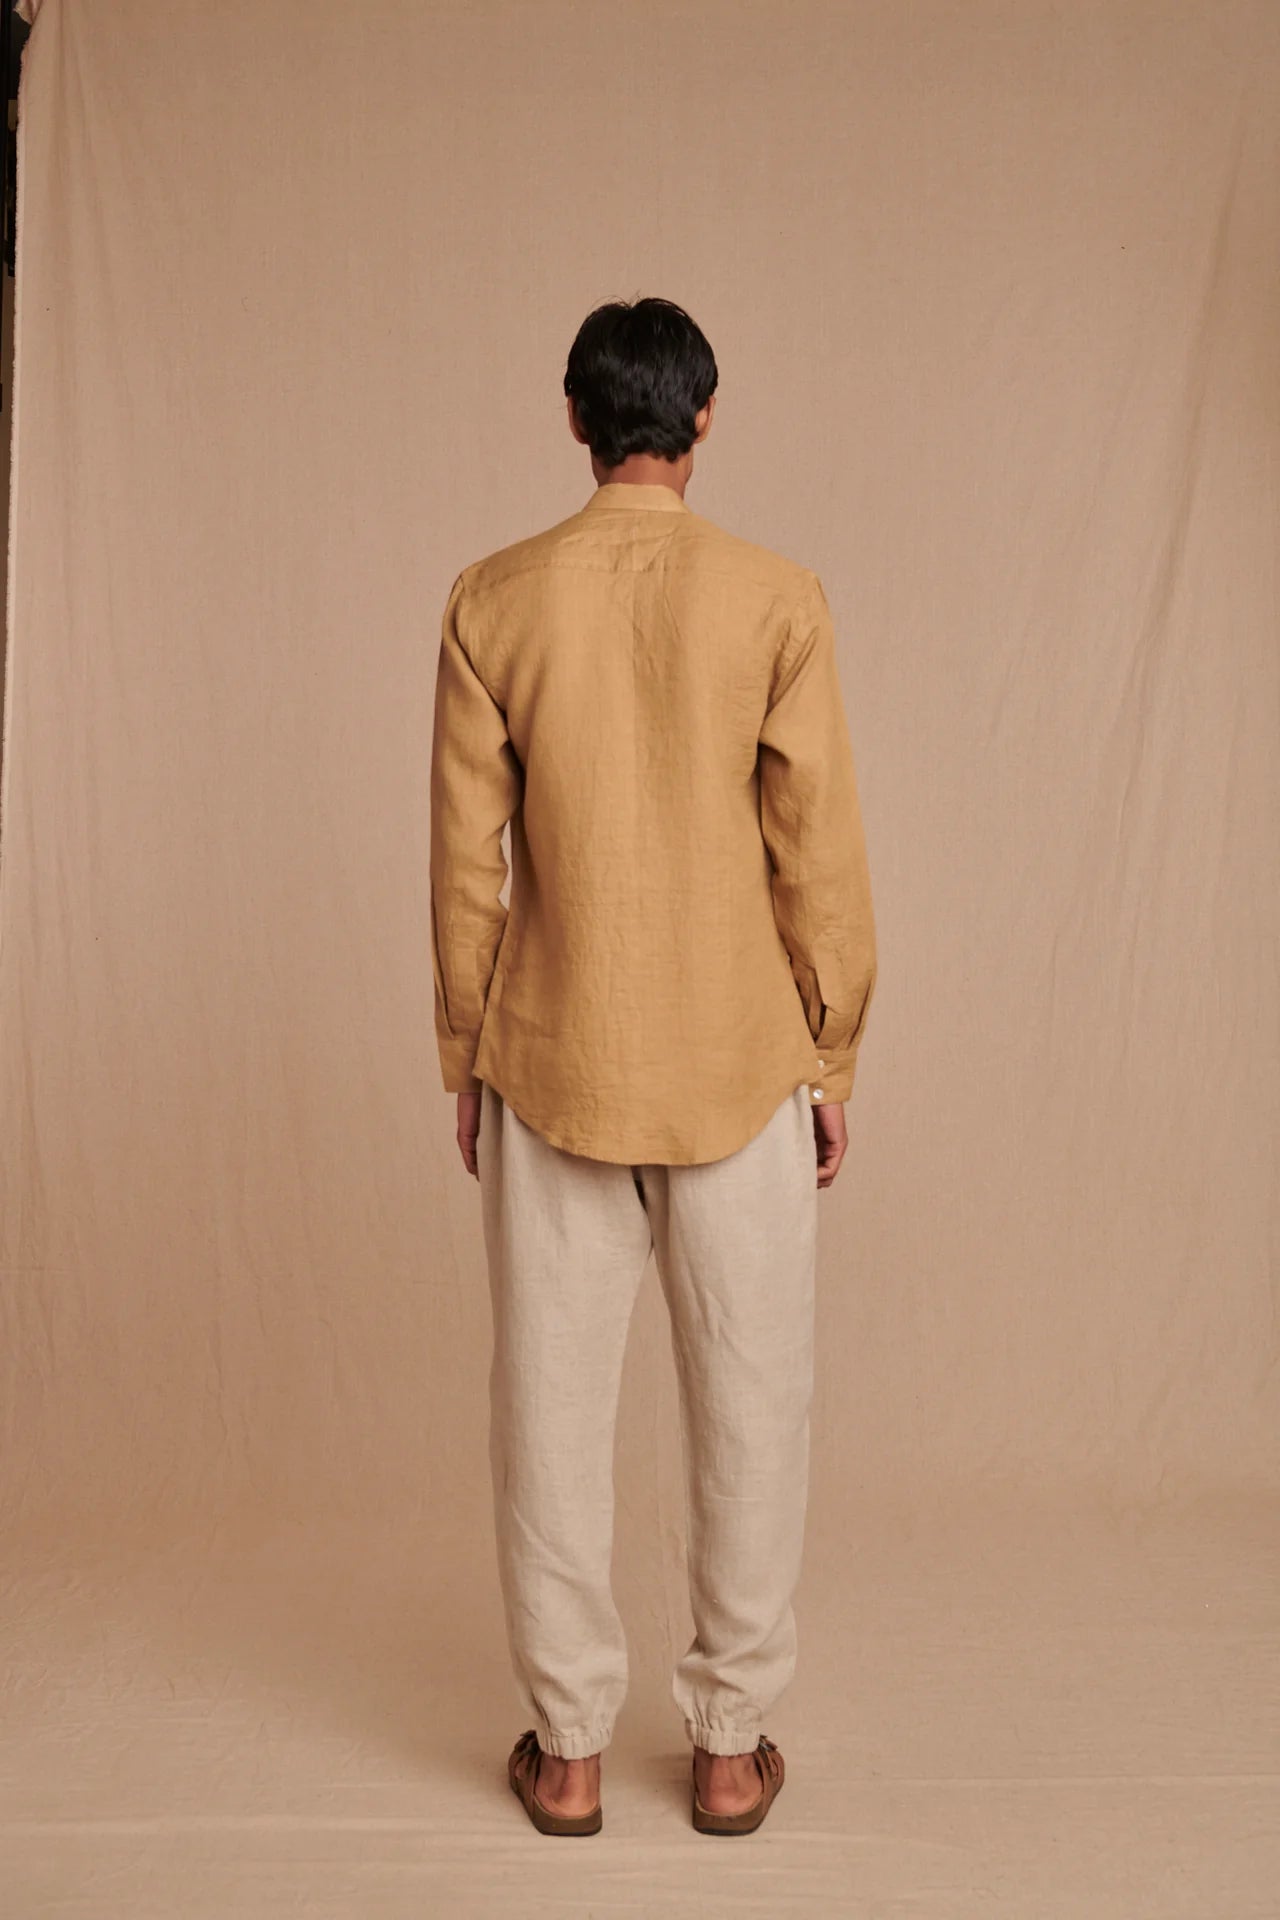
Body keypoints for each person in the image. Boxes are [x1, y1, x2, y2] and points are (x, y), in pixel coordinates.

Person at [428, 296, 877, 1836]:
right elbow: (818, 852)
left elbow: (466, 866)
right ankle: (730, 1748)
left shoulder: (492, 601)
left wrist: (468, 1053)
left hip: (553, 1059)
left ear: (575, 420)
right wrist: (831, 1050)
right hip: (740, 1064)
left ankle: (566, 1754)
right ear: (702, 418)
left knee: (547, 1419)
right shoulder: (776, 599)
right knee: (753, 1408)